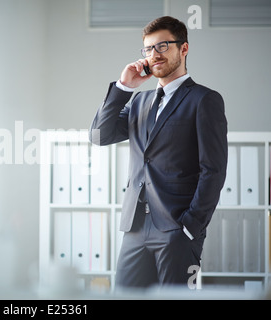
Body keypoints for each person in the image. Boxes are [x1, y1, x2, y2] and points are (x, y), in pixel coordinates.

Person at [89, 16, 228, 289]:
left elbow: (213, 170)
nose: (154, 55)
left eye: (162, 46)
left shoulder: (204, 100)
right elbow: (99, 135)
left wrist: (191, 227)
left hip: (177, 229)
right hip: (135, 227)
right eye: (148, 49)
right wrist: (123, 87)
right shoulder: (139, 101)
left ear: (183, 49)